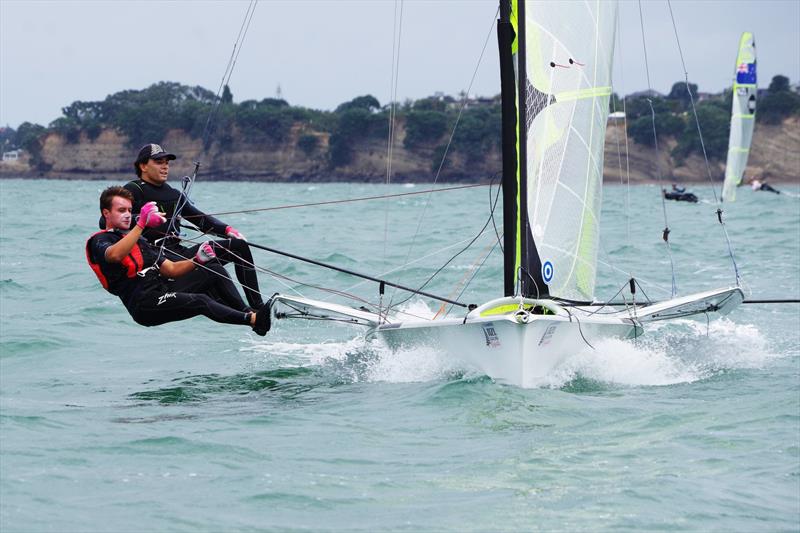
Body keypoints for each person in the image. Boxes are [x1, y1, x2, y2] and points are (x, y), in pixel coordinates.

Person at [87, 186, 272, 335]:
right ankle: (253, 320)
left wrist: (198, 260)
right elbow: (114, 255)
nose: (127, 214)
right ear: (106, 213)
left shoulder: (140, 242)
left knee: (212, 269)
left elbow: (171, 269)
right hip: (144, 305)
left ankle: (251, 314)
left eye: (129, 210)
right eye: (121, 210)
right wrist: (142, 224)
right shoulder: (100, 240)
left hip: (163, 289)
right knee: (200, 301)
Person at [108, 143, 264, 310]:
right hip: (157, 257)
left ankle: (259, 307)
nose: (165, 166)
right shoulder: (133, 190)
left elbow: (201, 220)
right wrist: (142, 219)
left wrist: (227, 230)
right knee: (213, 268)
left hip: (179, 252)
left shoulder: (173, 194)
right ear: (143, 166)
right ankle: (247, 314)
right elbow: (107, 222)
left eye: (167, 162)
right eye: (159, 162)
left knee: (238, 247)